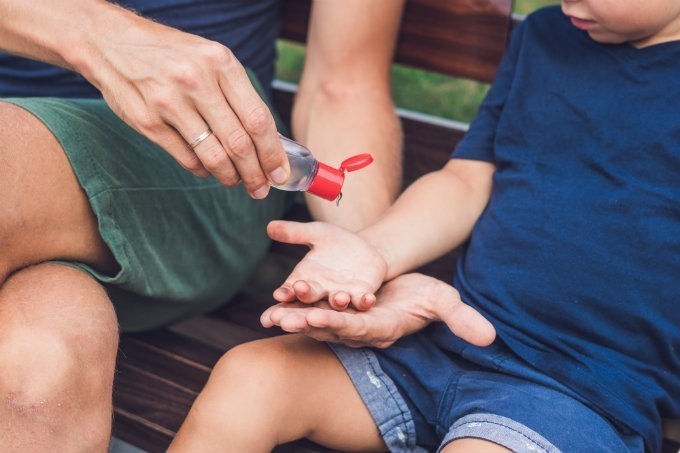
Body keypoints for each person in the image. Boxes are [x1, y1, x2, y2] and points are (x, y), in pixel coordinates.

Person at [169, 1, 680, 452]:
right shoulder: (546, 37)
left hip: (576, 393)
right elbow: (466, 179)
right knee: (252, 377)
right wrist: (373, 252)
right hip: (443, 342)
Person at [0, 0, 405, 450]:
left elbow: (344, 83)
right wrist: (97, 36)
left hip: (205, 144)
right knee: (38, 380)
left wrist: (374, 257)